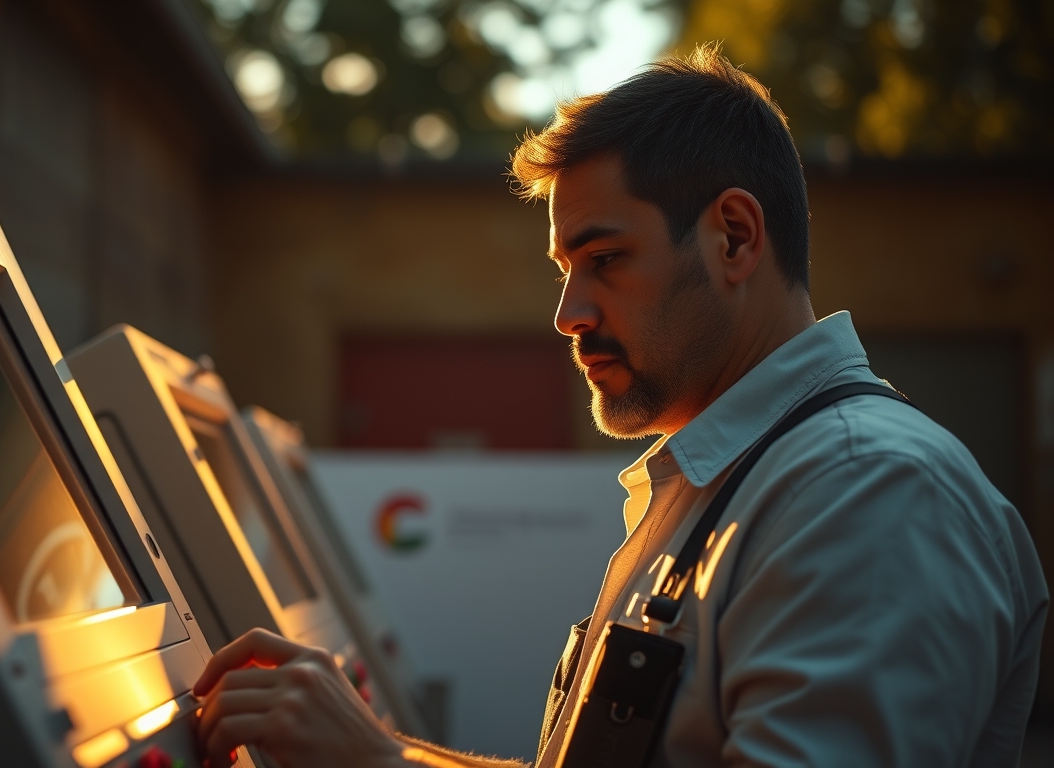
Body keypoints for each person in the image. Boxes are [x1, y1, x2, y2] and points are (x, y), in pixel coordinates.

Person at [191, 45, 1048, 768]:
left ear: (735, 238)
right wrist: (382, 748)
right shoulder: (740, 482)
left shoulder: (869, 496)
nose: (568, 315)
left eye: (604, 259)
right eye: (567, 269)